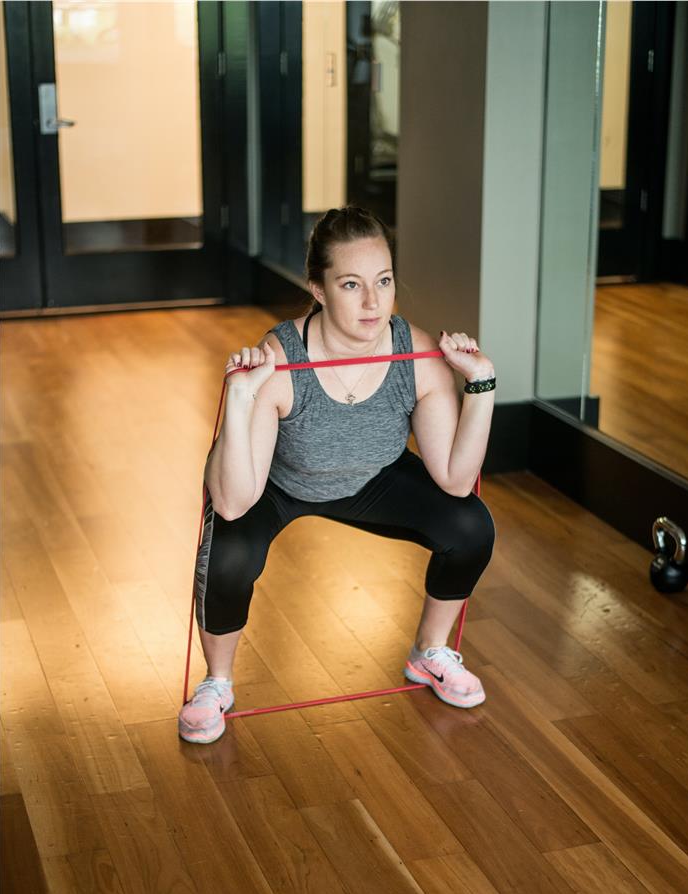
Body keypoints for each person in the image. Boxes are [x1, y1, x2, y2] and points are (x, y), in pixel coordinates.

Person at [179, 206, 497, 743]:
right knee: (230, 553)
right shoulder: (281, 357)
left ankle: (430, 653)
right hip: (277, 482)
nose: (374, 302)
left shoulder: (417, 354)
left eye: (384, 281)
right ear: (319, 289)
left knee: (471, 527)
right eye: (351, 284)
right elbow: (234, 501)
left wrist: (481, 385)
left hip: (371, 478)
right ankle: (217, 682)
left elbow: (456, 481)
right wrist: (240, 396)